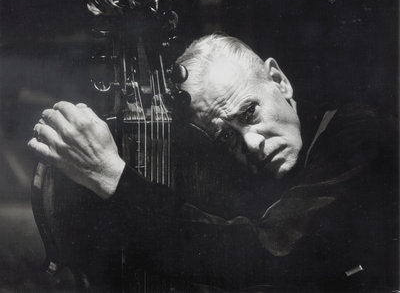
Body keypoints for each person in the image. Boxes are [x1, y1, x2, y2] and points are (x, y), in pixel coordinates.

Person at [28, 34, 398, 292]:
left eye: (249, 112)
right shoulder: (252, 175)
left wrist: (110, 176)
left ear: (279, 81)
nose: (251, 144)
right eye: (226, 137)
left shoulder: (361, 134)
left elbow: (268, 252)